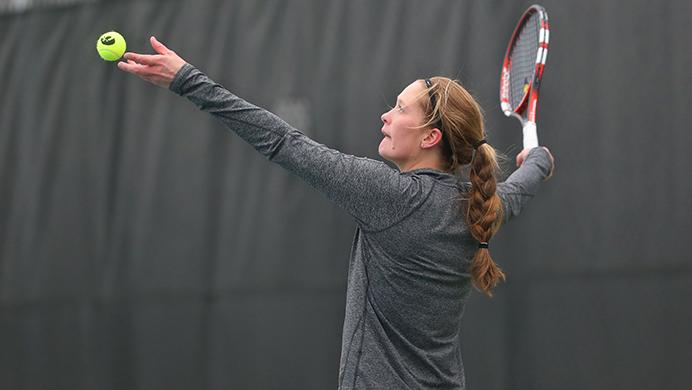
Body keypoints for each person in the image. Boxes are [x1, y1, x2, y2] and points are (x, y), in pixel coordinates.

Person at [118, 36, 555, 390]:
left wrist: (186, 80)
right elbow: (517, 191)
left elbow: (282, 141)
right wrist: (539, 162)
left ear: (430, 137)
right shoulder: (479, 210)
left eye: (401, 109)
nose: (386, 116)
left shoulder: (391, 195)